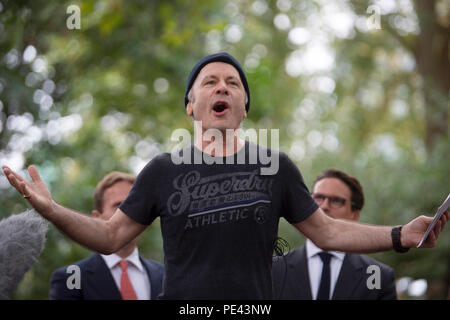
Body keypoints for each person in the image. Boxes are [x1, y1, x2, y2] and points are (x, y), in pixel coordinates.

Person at [2, 52, 448, 300]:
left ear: (243, 107)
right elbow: (110, 236)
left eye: (233, 83)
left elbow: (328, 232)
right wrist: (52, 210)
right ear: (191, 105)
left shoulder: (275, 166)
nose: (222, 87)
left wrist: (399, 235)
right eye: (210, 81)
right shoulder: (162, 169)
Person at [272, 169, 397, 300]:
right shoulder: (272, 270)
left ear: (355, 214)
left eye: (336, 201)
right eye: (318, 198)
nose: (324, 206)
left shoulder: (378, 276)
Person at [48, 172, 164, 300]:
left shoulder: (166, 276)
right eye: (119, 206)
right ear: (97, 218)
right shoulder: (71, 278)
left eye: (135, 205)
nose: (130, 213)